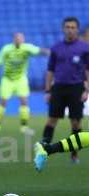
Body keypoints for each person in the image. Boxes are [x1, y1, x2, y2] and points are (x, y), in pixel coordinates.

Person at [40, 17, 89, 164]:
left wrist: (87, 89)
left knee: (76, 123)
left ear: (77, 29)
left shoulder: (85, 48)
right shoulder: (56, 48)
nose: (70, 29)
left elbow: (88, 70)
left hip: (76, 88)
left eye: (73, 27)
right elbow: (50, 71)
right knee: (51, 120)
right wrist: (48, 91)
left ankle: (74, 155)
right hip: (58, 88)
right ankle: (42, 149)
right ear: (63, 29)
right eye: (67, 27)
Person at [0, 33, 49, 136]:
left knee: (24, 102)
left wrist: (51, 52)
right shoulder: (6, 49)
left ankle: (24, 127)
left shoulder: (27, 48)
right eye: (17, 38)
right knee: (3, 102)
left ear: (23, 39)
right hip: (7, 79)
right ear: (14, 39)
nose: (19, 40)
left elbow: (40, 51)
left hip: (21, 79)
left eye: (21, 38)